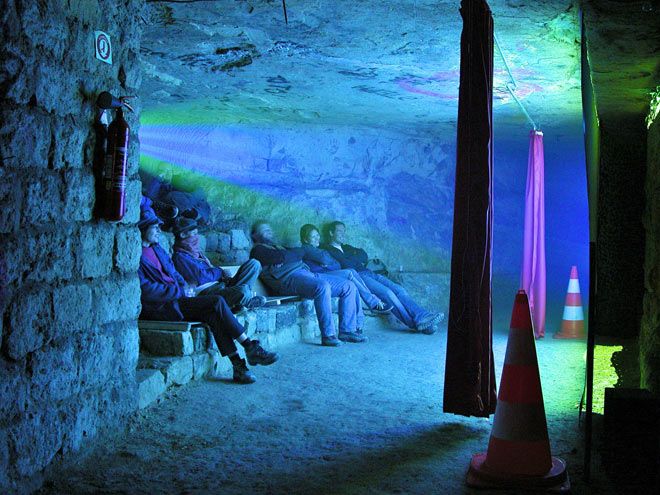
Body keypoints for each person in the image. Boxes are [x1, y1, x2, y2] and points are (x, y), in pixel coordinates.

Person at [138, 209, 278, 384]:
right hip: (163, 306)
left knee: (213, 315)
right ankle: (250, 346)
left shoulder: (157, 249)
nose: (159, 230)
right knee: (217, 301)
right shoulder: (138, 255)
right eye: (154, 227)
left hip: (180, 298)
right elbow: (145, 289)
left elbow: (174, 273)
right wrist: (181, 291)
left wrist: (183, 286)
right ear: (143, 229)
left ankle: (238, 366)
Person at [249, 221, 366, 346]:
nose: (269, 232)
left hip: (307, 274)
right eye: (264, 230)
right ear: (255, 235)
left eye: (269, 229)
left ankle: (347, 331)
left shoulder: (278, 247)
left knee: (348, 286)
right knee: (322, 286)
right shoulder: (258, 250)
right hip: (289, 280)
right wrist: (287, 256)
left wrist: (287, 255)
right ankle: (328, 335)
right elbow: (286, 256)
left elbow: (300, 252)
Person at [321, 221, 444, 334]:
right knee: (388, 293)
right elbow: (344, 264)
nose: (343, 234)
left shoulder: (347, 247)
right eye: (339, 231)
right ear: (331, 233)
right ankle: (417, 324)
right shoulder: (326, 249)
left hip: (369, 272)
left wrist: (350, 257)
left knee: (399, 289)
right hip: (359, 277)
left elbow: (363, 256)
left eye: (344, 231)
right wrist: (352, 257)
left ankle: (421, 316)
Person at [171, 216, 266, 311]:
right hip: (208, 294)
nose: (197, 237)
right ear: (183, 235)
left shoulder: (197, 254)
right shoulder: (180, 257)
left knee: (253, 264)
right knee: (243, 290)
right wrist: (220, 272)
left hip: (221, 285)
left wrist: (223, 277)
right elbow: (201, 277)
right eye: (194, 234)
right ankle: (244, 302)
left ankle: (239, 302)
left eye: (197, 234)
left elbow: (209, 271)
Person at [299, 224, 392, 316]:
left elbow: (337, 265)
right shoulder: (307, 248)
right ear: (306, 239)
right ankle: (373, 302)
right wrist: (328, 261)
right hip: (320, 276)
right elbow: (327, 260)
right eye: (313, 236)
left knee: (352, 278)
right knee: (349, 273)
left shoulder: (318, 249)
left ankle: (361, 320)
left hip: (327, 273)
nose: (317, 238)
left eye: (317, 235)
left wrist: (329, 262)